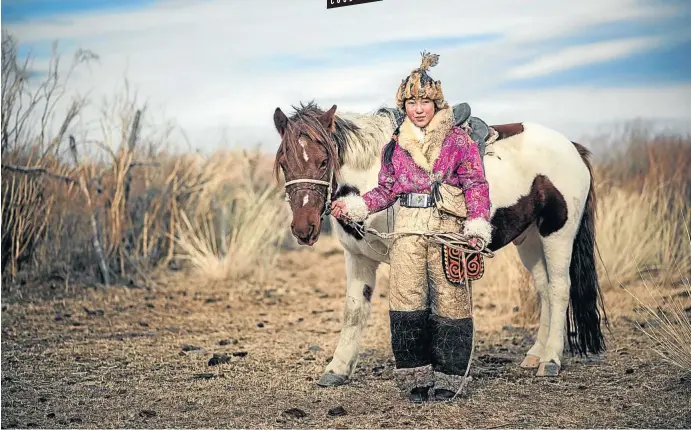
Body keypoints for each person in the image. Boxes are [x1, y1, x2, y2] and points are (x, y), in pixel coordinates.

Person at [330, 51, 492, 402]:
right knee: (406, 303)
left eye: (425, 101)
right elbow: (387, 190)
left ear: (436, 103)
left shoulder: (458, 142)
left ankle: (449, 376)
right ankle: (415, 377)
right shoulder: (395, 147)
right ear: (403, 106)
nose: (418, 108)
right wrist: (356, 206)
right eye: (411, 102)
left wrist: (477, 223)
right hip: (407, 226)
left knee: (450, 302)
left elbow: (476, 184)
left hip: (446, 225)